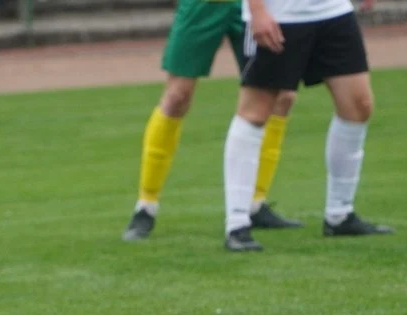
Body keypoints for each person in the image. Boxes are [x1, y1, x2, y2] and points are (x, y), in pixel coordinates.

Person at [123, 0, 305, 245]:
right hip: (203, 5)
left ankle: (256, 203)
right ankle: (146, 205)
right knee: (178, 96)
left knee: (282, 97)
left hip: (252, 4)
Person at [222, 0, 393, 252]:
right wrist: (257, 11)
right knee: (255, 112)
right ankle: (237, 223)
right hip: (279, 14)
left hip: (332, 10)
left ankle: (340, 214)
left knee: (358, 106)